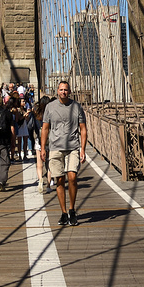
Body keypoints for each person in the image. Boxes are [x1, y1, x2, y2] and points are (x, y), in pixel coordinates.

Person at [40, 80, 87, 226]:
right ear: (57, 91)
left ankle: (72, 209)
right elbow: (45, 128)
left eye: (66, 90)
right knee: (59, 180)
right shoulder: (50, 107)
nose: (63, 92)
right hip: (55, 147)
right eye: (61, 90)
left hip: (73, 147)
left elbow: (83, 129)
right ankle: (64, 212)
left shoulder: (76, 107)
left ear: (70, 91)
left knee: (72, 177)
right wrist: (43, 148)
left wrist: (83, 149)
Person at [29, 95, 50, 192]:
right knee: (49, 162)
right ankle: (49, 184)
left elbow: (33, 126)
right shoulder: (51, 112)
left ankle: (40, 180)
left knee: (39, 162)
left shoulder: (36, 114)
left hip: (39, 139)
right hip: (50, 139)